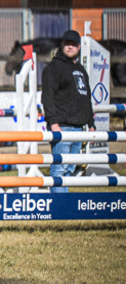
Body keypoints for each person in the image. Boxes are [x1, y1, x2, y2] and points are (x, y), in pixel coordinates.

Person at [40, 29, 95, 184]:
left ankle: (65, 199)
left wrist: (91, 124)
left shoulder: (81, 70)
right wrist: (54, 123)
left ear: (79, 47)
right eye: (67, 44)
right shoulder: (53, 68)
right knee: (59, 169)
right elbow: (47, 97)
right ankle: (58, 200)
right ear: (62, 45)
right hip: (62, 127)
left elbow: (86, 98)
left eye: (74, 44)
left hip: (78, 128)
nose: (70, 47)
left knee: (70, 170)